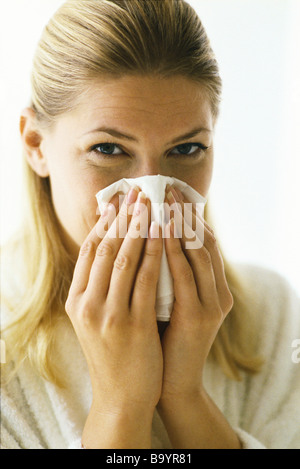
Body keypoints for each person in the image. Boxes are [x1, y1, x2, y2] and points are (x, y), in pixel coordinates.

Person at [1, 0, 299, 450]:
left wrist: (185, 397)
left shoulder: (269, 313)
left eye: (185, 150)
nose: (150, 199)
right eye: (108, 149)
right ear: (36, 144)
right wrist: (120, 407)